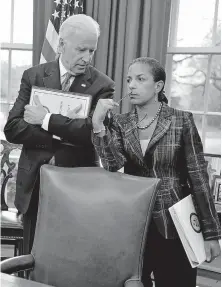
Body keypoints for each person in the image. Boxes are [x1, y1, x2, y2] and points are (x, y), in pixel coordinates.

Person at [91, 57, 221, 287]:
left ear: (158, 86)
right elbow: (113, 164)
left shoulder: (181, 120)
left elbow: (199, 177)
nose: (131, 85)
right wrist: (99, 125)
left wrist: (211, 233)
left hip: (175, 222)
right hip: (134, 224)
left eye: (141, 79)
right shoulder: (121, 123)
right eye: (129, 79)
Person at [4, 14, 115, 255]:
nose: (87, 58)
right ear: (61, 45)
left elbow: (89, 134)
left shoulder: (103, 85)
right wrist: (63, 132)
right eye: (81, 49)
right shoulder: (33, 76)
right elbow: (12, 128)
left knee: (68, 258)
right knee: (30, 257)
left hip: (75, 188)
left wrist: (45, 120)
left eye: (91, 51)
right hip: (33, 185)